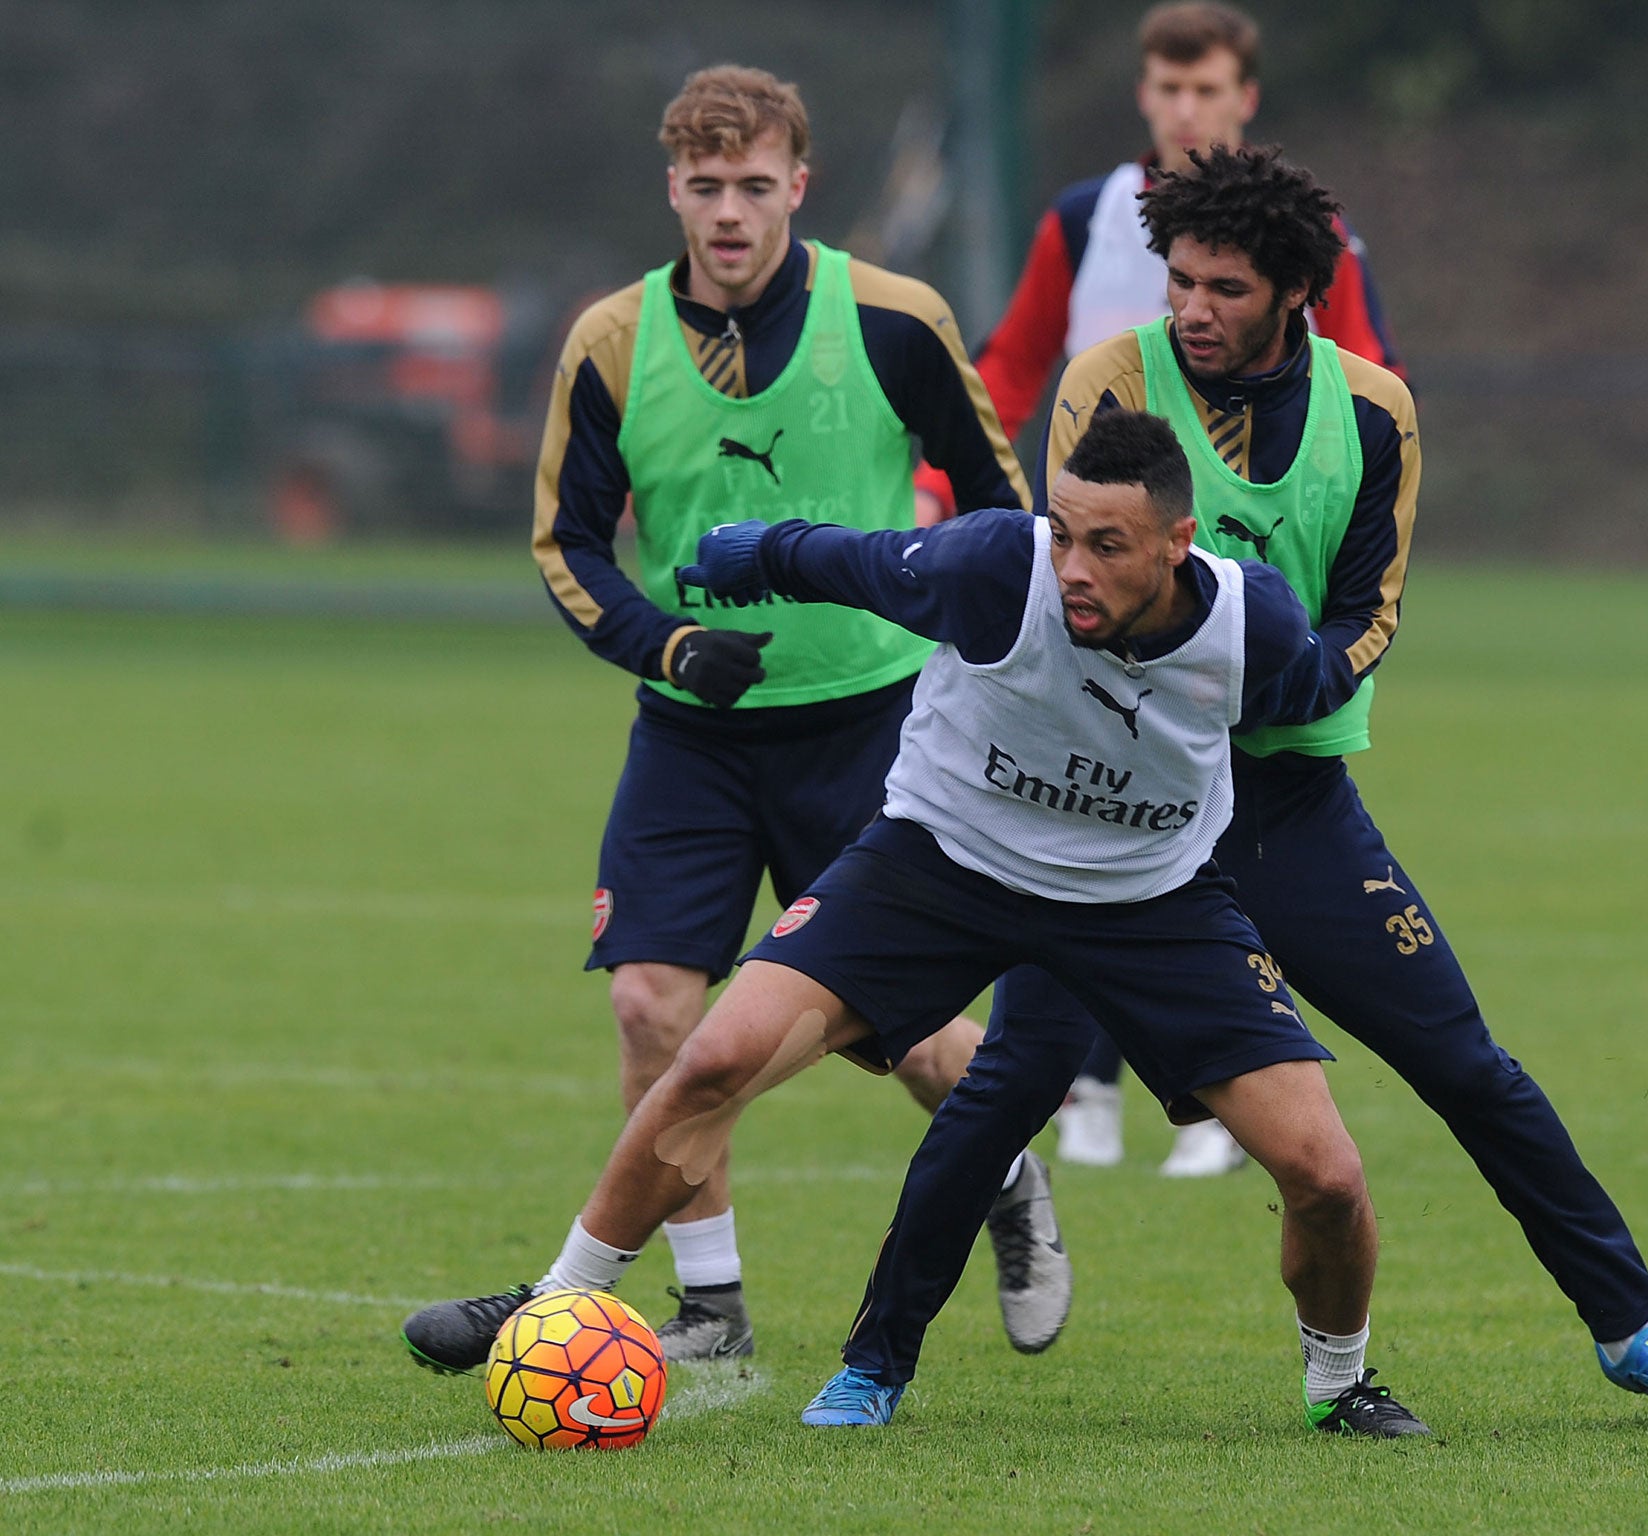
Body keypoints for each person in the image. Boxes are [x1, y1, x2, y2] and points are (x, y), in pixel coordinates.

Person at [809, 145, 1648, 1433]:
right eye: (1179, 281)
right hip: (1115, 807)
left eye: (1222, 286)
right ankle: (873, 1366)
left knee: (1470, 1069)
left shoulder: (1373, 411)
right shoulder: (1109, 385)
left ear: (1294, 292)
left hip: (1286, 809)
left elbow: (1367, 610)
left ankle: (1635, 1333)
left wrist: (1296, 683)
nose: (1189, 309)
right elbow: (1067, 583)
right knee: (1008, 1083)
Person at [427, 409, 1432, 1439]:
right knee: (714, 1059)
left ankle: (1338, 1384)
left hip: (1149, 901)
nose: (1073, 566)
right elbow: (847, 559)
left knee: (1325, 1174)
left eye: (1108, 545)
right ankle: (556, 1302)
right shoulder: (998, 569)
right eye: (1064, 532)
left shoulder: (1247, 621)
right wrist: (754, 553)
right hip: (938, 867)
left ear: (1179, 544)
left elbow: (1311, 683)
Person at [402, 64, 1067, 1373]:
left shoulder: (892, 321)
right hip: (692, 738)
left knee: (924, 1045)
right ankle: (710, 1308)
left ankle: (1013, 1185)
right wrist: (669, 641)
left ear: (798, 188)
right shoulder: (610, 340)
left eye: (753, 187)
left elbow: (1005, 511)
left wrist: (989, 658)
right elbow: (565, 544)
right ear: (673, 188)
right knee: (653, 1005)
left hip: (876, 733)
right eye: (704, 188)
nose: (727, 213)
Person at [920, 0, 1404, 1177]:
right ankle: (1081, 1084)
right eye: (1166, 89)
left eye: (1208, 91)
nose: (1185, 107)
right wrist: (946, 483)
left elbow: (1363, 379)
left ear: (1243, 100)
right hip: (1098, 568)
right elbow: (1007, 363)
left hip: (1238, 603)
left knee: (1220, 830)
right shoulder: (1086, 221)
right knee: (1062, 799)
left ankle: (1228, 1069)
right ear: (1143, 95)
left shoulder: (1308, 244)